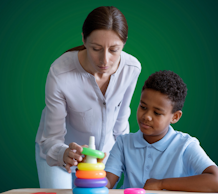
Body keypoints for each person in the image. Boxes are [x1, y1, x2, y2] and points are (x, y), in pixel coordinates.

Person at [35, 6, 141, 189]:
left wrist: (123, 159)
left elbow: (121, 124)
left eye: (114, 50)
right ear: (83, 39)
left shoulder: (132, 68)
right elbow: (50, 139)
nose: (105, 60)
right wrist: (65, 153)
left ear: (124, 43)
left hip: (103, 159)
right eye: (96, 48)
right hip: (61, 155)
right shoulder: (60, 73)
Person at [104, 70, 218, 192]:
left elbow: (217, 183)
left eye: (157, 113)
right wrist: (93, 168)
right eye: (143, 107)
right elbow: (107, 183)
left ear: (175, 117)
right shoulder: (124, 143)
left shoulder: (185, 146)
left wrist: (161, 184)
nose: (147, 116)